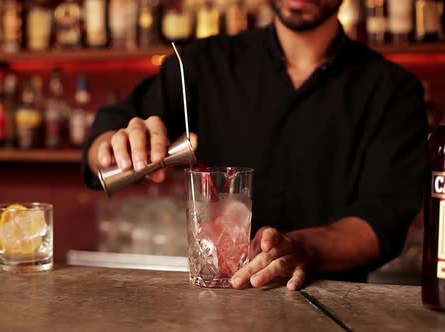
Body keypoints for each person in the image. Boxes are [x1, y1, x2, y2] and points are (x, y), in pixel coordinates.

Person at [83, 0, 427, 290]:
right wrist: (114, 145)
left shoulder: (393, 90)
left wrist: (301, 247)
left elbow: (383, 221)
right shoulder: (205, 64)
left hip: (336, 308)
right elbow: (104, 137)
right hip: (217, 304)